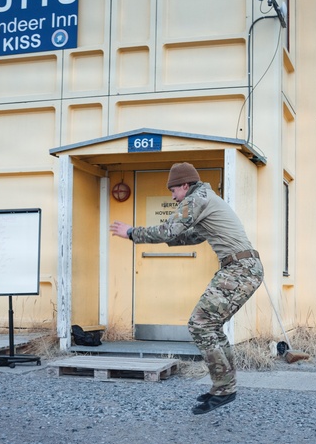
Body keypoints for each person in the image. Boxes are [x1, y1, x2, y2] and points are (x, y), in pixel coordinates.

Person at [110, 162, 264, 414]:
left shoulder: (197, 198)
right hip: (242, 267)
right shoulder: (207, 197)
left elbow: (169, 229)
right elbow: (195, 236)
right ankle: (224, 386)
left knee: (199, 324)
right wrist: (168, 240)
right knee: (211, 326)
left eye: (173, 190)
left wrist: (132, 232)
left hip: (240, 269)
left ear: (185, 185)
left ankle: (225, 389)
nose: (172, 196)